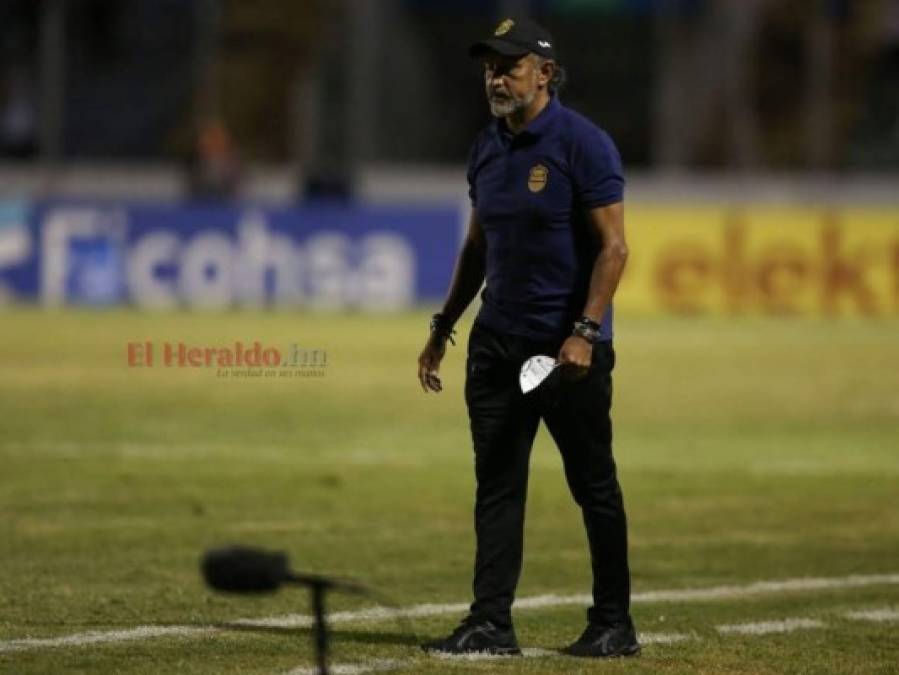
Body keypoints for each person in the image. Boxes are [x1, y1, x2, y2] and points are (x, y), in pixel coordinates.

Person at [417, 16, 639, 659]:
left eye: (509, 65)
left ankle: (613, 624)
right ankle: (490, 623)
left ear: (544, 73)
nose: (496, 76)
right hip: (495, 344)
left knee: (592, 484)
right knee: (497, 486)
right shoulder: (486, 146)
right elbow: (479, 245)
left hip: (564, 350)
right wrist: (444, 326)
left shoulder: (583, 143)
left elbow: (615, 248)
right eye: (490, 65)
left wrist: (585, 332)